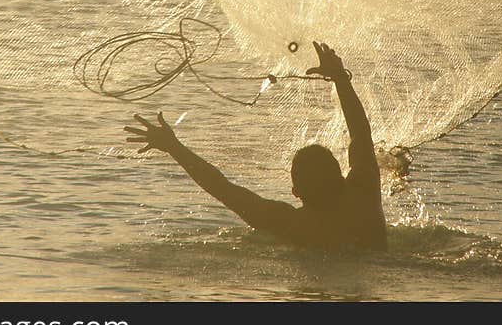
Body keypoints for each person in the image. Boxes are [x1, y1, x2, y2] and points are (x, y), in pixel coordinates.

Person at [124, 41, 387, 250]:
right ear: (341, 175)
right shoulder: (363, 192)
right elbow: (360, 134)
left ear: (295, 191)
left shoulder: (289, 224)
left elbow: (221, 188)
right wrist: (340, 78)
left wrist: (174, 147)